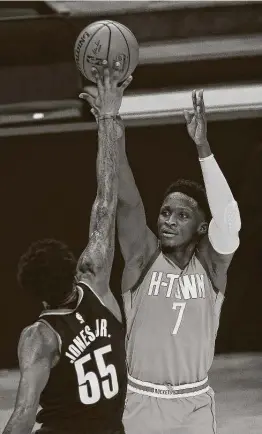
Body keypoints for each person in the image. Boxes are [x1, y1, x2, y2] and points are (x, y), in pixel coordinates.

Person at [3, 62, 132, 434]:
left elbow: (24, 413)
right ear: (74, 268)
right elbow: (106, 200)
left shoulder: (39, 337)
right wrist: (109, 116)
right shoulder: (96, 284)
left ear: (37, 297)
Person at [115, 90, 241, 434]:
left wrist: (203, 149)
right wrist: (112, 125)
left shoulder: (212, 268)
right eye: (165, 212)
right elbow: (125, 200)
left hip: (194, 405)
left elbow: (229, 219)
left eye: (181, 215)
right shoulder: (143, 258)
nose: (168, 220)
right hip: (140, 401)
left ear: (201, 227)